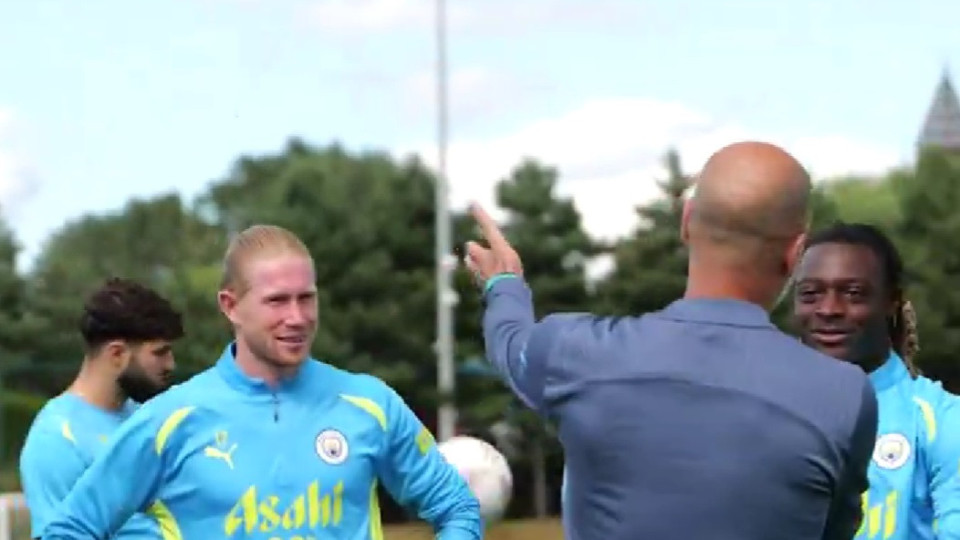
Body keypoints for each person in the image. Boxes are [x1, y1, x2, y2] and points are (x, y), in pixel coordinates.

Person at [465, 141, 878, 540]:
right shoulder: (844, 396)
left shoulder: (575, 353)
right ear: (796, 253)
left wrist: (504, 285)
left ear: (686, 221)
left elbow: (510, 344)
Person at [41, 224, 481, 540]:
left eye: (306, 298)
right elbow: (71, 529)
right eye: (277, 301)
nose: (297, 317)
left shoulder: (369, 404)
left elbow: (458, 509)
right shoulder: (170, 421)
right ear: (231, 306)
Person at [793, 222, 960, 539]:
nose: (828, 309)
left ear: (891, 302)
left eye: (853, 293)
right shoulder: (767, 413)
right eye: (811, 294)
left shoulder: (943, 421)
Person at [20, 277, 183, 540]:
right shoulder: (57, 440)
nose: (170, 364)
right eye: (160, 353)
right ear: (117, 354)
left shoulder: (149, 418)